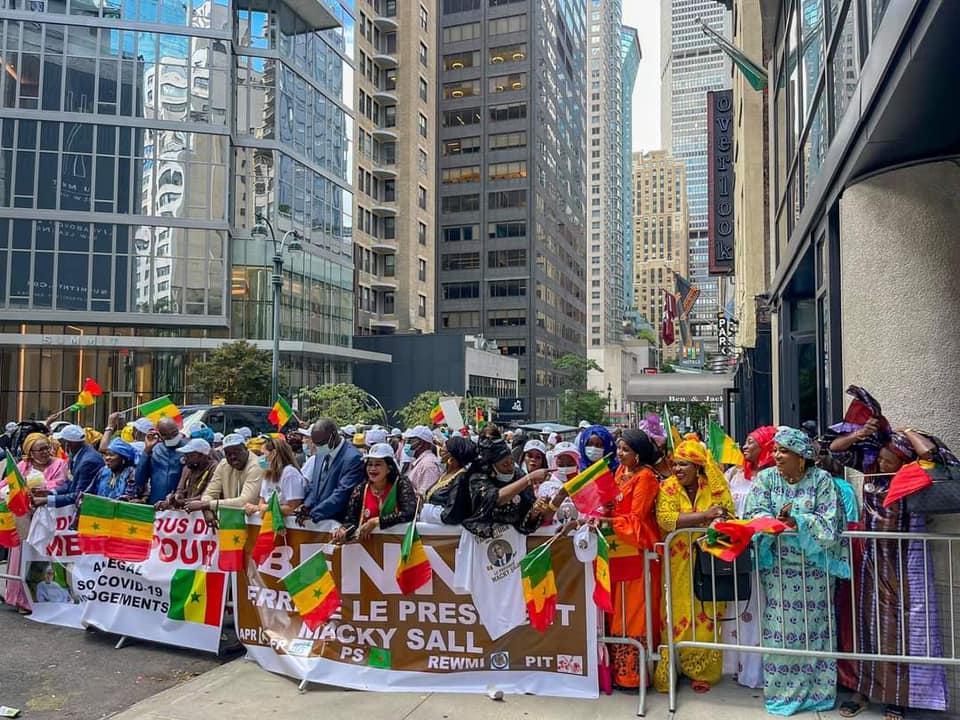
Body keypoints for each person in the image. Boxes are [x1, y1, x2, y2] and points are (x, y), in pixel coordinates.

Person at [837, 430, 948, 720]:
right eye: (882, 459)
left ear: (903, 462)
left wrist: (909, 433)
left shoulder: (916, 475)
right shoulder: (872, 470)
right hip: (871, 559)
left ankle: (897, 697)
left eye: (890, 461)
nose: (883, 465)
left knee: (901, 632)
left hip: (906, 562)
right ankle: (862, 691)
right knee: (866, 627)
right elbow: (836, 450)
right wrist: (862, 432)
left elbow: (932, 458)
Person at [742, 427, 849, 716]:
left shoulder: (822, 480)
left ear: (801, 457)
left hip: (814, 573)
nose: (776, 455)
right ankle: (781, 694)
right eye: (775, 449)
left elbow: (831, 521)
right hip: (778, 572)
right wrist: (771, 522)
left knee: (815, 632)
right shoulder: (766, 479)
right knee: (781, 633)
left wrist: (797, 521)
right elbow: (752, 512)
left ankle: (817, 694)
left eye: (783, 450)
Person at [653, 438, 735, 694]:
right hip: (677, 563)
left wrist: (711, 518)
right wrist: (704, 516)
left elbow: (726, 513)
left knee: (707, 613)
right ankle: (672, 670)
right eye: (675, 464)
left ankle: (702, 672)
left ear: (698, 467)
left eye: (684, 464)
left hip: (709, 560)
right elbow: (666, 520)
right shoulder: (667, 487)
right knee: (674, 614)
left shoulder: (714, 487)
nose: (677, 469)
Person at [604, 429, 663, 689]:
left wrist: (606, 521)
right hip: (618, 547)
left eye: (625, 449)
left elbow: (637, 519)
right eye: (619, 448)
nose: (620, 453)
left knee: (637, 612)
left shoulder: (646, 477)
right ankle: (618, 673)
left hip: (640, 549)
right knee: (617, 609)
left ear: (638, 453)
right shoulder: (619, 472)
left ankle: (636, 676)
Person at [720, 425, 777, 689]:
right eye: (745, 441)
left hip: (763, 553)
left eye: (751, 442)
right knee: (739, 606)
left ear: (766, 446)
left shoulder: (775, 477)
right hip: (737, 551)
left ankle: (760, 672)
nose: (745, 447)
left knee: (760, 607)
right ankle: (738, 666)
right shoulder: (733, 474)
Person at [2, 433, 67, 612]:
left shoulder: (59, 464)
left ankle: (43, 599)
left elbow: (62, 483)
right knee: (21, 556)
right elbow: (7, 484)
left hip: (47, 517)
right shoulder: (23, 466)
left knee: (42, 555)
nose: (46, 452)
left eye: (47, 448)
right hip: (23, 518)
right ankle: (20, 599)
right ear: (30, 453)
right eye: (41, 450)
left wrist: (42, 487)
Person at [461, 437, 549, 538]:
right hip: (478, 539)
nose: (510, 468)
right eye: (504, 464)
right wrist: (528, 479)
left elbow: (524, 521)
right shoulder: (478, 475)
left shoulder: (519, 475)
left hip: (510, 543)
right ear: (492, 465)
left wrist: (534, 512)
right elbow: (493, 499)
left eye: (512, 462)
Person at [333, 444, 417, 542]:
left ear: (389, 468)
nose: (372, 468)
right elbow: (351, 521)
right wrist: (343, 530)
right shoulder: (360, 489)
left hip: (397, 546)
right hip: (368, 549)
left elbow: (409, 513)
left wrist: (376, 522)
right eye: (370, 464)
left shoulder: (401, 484)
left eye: (378, 464)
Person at [297, 418, 365, 524]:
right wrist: (306, 506)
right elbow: (315, 485)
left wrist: (314, 513)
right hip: (316, 523)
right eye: (316, 443)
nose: (318, 447)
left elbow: (342, 494)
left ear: (333, 435)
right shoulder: (320, 453)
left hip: (337, 524)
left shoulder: (353, 458)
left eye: (321, 443)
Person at [188, 433, 263, 517]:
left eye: (236, 452)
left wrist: (206, 505)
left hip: (254, 521)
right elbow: (209, 494)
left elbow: (244, 501)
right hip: (231, 519)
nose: (232, 457)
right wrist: (206, 509)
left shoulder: (256, 466)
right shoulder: (224, 464)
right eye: (228, 454)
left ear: (245, 449)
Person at [31, 425, 104, 508]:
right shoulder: (75, 455)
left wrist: (47, 500)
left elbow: (80, 495)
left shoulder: (88, 462)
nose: (58, 444)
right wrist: (51, 492)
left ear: (69, 444)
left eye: (61, 441)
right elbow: (70, 483)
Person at [422, 436, 477, 525]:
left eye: (444, 447)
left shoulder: (460, 478)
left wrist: (425, 511)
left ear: (451, 457)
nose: (441, 450)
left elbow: (452, 515)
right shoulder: (445, 473)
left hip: (445, 534)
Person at [248, 436, 305, 517]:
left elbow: (293, 507)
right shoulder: (268, 473)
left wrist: (268, 508)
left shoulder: (290, 473)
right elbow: (262, 503)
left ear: (274, 453)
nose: (261, 458)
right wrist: (262, 508)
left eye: (263, 454)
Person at [155, 438, 218, 510]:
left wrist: (182, 502)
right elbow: (180, 490)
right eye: (185, 455)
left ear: (202, 455)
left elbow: (208, 496)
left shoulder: (214, 468)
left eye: (189, 456)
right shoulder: (187, 468)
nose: (185, 459)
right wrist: (173, 498)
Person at [135, 418, 185, 505]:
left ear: (178, 429)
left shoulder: (188, 448)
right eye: (166, 435)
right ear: (159, 435)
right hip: (156, 503)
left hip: (180, 504)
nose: (172, 437)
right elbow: (140, 480)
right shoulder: (155, 450)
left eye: (174, 433)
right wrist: (147, 451)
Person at [401, 425, 443, 496]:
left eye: (411, 441)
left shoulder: (428, 465)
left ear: (422, 443)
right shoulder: (422, 462)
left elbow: (426, 496)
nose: (408, 444)